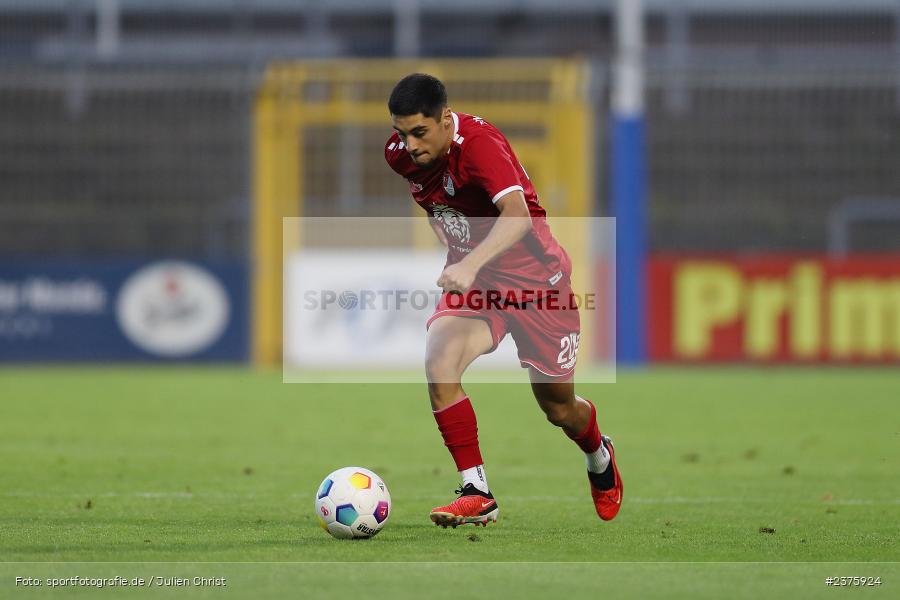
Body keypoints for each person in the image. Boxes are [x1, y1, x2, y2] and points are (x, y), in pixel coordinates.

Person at [384, 73, 622, 528]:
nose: (409, 144)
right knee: (440, 362)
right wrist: (463, 257)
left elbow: (518, 219)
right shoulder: (400, 157)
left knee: (558, 408)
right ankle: (477, 491)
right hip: (480, 287)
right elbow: (443, 206)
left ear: (446, 119)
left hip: (537, 284)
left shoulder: (479, 146)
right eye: (401, 133)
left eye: (419, 132)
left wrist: (468, 263)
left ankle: (598, 453)